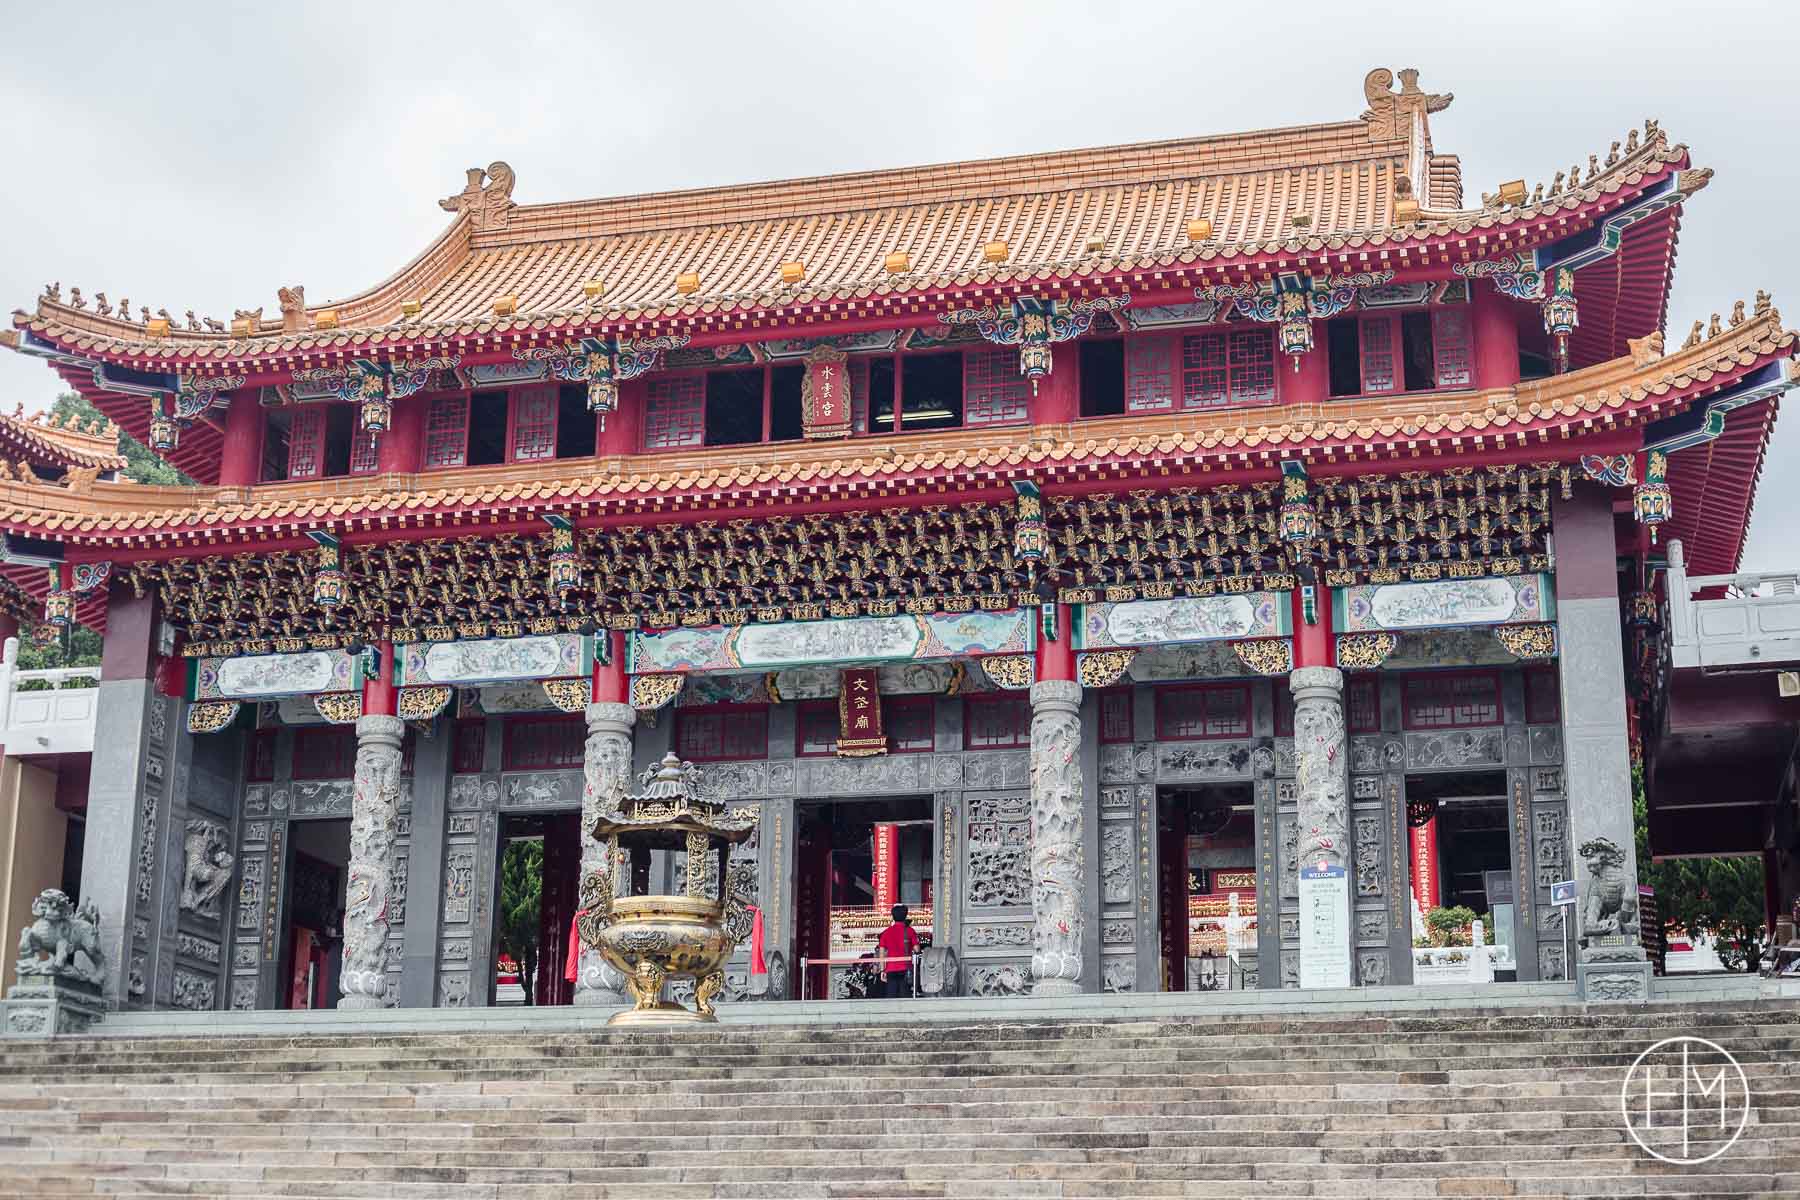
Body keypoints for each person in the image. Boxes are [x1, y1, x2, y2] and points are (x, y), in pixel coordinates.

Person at [873, 904, 920, 999]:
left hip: (891, 968)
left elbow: (882, 953)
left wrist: (883, 970)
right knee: (905, 995)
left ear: (893, 916)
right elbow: (917, 949)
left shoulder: (886, 932)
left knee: (891, 995)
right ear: (905, 916)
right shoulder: (910, 931)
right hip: (906, 968)